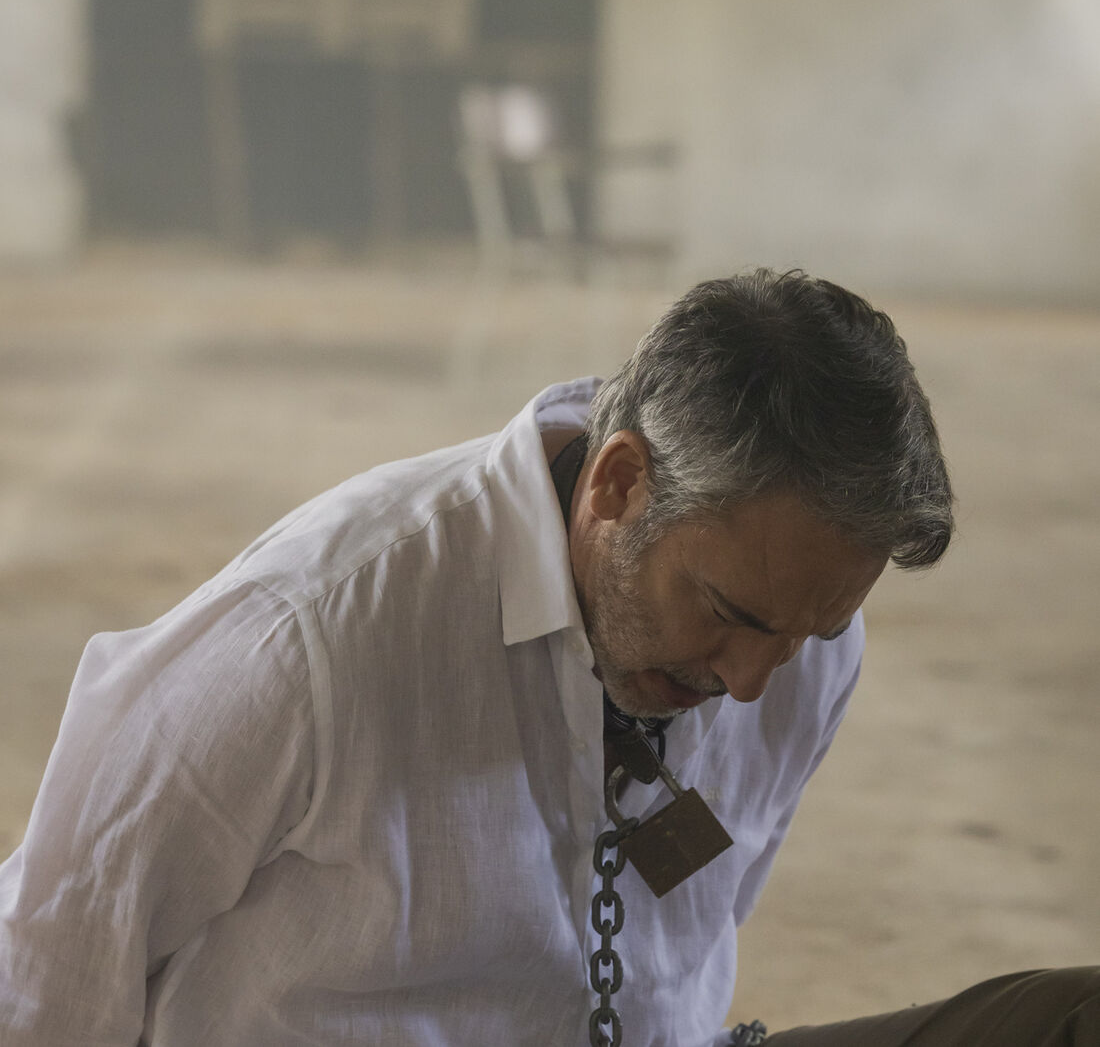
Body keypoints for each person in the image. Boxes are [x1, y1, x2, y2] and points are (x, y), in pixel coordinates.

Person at [0, 269, 1093, 1046]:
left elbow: (699, 923)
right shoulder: (307, 635)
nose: (752, 679)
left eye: (805, 632)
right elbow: (46, 974)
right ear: (618, 483)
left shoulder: (800, 639)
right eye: (727, 612)